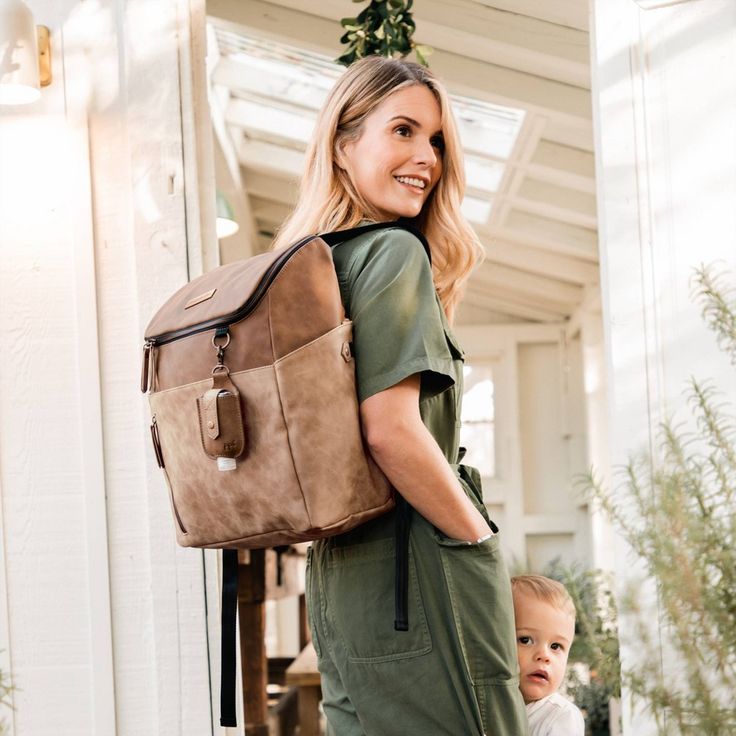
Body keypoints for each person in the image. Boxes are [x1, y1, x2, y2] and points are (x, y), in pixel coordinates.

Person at [275, 55, 528, 735]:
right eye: (405, 131)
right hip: (414, 571)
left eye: (438, 140)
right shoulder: (391, 255)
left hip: (340, 581)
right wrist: (476, 538)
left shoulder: (310, 268)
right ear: (343, 143)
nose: (428, 157)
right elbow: (389, 428)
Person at [511, 575, 586, 736]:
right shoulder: (489, 706)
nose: (544, 656)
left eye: (556, 646)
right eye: (525, 640)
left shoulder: (561, 717)